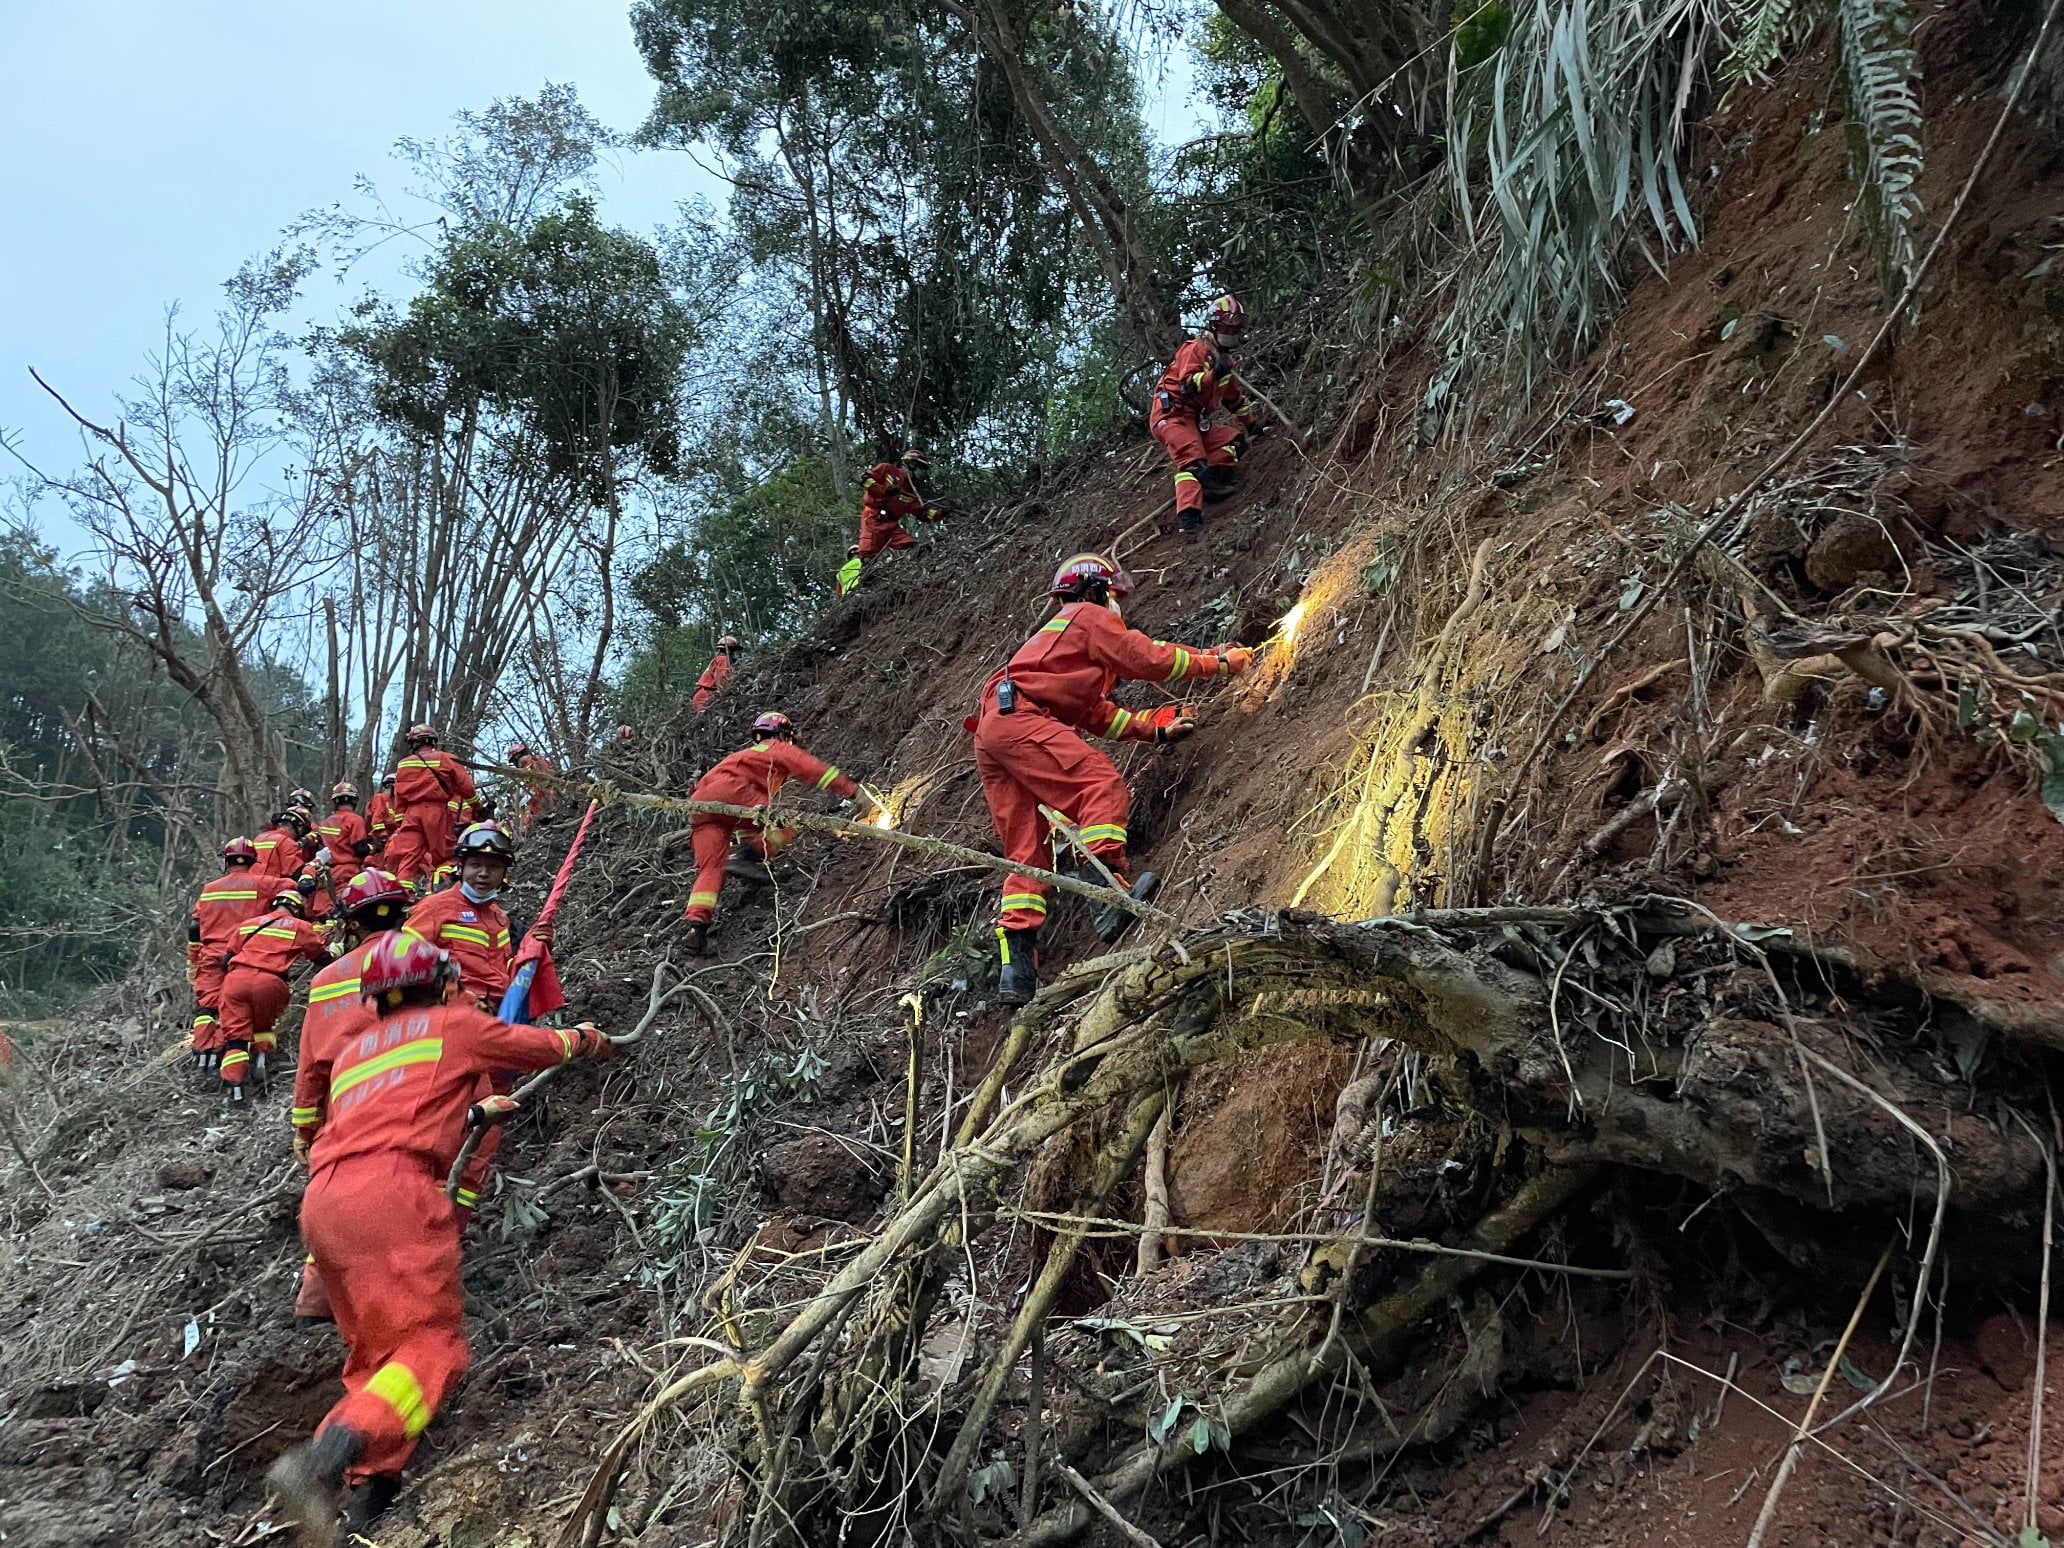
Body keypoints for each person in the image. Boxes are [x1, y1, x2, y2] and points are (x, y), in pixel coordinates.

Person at [265, 936, 611, 1543]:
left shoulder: (352, 1050)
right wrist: (584, 1037)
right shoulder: (453, 1024)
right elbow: (538, 1046)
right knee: (433, 1348)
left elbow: (398, 1104)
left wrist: (468, 1114)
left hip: (323, 1201)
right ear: (445, 981)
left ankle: (370, 1496)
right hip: (394, 1191)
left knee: (376, 1353)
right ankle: (324, 1455)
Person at [971, 553, 1252, 1003]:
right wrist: (1217, 662)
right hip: (1019, 719)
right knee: (1097, 783)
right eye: (1116, 596)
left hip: (996, 729)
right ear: (1098, 591)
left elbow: (1098, 716)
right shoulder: (1086, 615)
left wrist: (1155, 730)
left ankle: (1016, 970)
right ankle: (1108, 892)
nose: (1119, 606)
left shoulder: (1061, 654)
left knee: (1027, 853)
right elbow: (1148, 658)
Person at [402, 820, 550, 1215]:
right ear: (461, 866)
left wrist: (532, 948)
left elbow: (503, 974)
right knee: (476, 1121)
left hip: (490, 1029)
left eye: (494, 867)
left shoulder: (499, 919)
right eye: (477, 865)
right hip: (448, 1031)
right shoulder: (434, 909)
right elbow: (403, 965)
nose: (484, 874)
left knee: (487, 1120)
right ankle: (437, 1210)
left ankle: (453, 1212)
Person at [290, 868, 415, 1327]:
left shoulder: (325, 982)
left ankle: (315, 1305)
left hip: (344, 1109)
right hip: (405, 1097)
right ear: (402, 915)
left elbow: (311, 1067)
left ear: (351, 924)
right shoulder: (422, 960)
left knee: (337, 1199)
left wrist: (305, 1130)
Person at [680, 712, 867, 956]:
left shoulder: (741, 757)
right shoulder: (775, 747)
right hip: (732, 791)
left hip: (699, 804)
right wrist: (853, 792)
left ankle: (696, 929)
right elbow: (814, 769)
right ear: (782, 734)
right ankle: (746, 858)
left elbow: (748, 823)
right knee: (785, 823)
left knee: (711, 868)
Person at [1149, 294, 1265, 534]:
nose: (1231, 332)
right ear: (1214, 325)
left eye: (1235, 328)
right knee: (1192, 462)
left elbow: (1234, 400)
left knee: (1232, 441)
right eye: (1226, 327)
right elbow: (1187, 384)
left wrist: (1252, 425)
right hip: (1172, 416)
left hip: (1191, 420)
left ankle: (1211, 484)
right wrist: (1214, 373)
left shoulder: (1224, 362)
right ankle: (1189, 520)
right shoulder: (1196, 349)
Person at [218, 887, 333, 1104]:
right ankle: (262, 1062)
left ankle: (235, 1093)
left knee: (236, 1040)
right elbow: (320, 957)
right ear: (297, 909)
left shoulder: (249, 924)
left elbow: (227, 959)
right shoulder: (300, 927)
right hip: (271, 982)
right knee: (263, 1027)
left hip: (236, 980)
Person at [187, 838, 266, 1073]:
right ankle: (229, 1055)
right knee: (234, 1006)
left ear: (227, 861)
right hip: (240, 956)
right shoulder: (262, 883)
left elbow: (194, 927)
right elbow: (293, 889)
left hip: (211, 954)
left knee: (207, 1007)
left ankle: (202, 1053)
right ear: (252, 861)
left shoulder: (210, 889)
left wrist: (193, 958)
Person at [386, 725, 478, 894]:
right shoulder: (446, 758)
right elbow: (466, 787)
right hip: (436, 811)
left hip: (411, 815)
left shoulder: (403, 764)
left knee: (408, 859)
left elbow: (398, 796)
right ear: (433, 741)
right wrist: (477, 807)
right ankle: (437, 892)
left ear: (413, 743)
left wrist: (401, 822)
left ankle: (402, 898)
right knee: (445, 856)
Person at [316, 783, 372, 893]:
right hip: (348, 871)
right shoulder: (355, 820)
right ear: (354, 801)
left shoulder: (326, 822)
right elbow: (360, 849)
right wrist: (373, 847)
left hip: (328, 872)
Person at [254, 808, 318, 882]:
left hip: (255, 886)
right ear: (299, 828)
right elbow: (295, 872)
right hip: (274, 887)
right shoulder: (287, 842)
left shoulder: (258, 838)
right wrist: (314, 863)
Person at [505, 742, 556, 832]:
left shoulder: (531, 763)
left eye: (514, 761)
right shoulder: (537, 761)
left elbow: (541, 785)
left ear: (517, 757)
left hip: (546, 799)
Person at [693, 636, 742, 713]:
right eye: (734, 651)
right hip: (706, 695)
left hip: (703, 693)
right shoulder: (723, 659)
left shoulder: (718, 659)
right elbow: (721, 679)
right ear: (729, 650)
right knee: (707, 719)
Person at [365, 773, 401, 854]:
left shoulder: (396, 802)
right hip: (380, 840)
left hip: (393, 838)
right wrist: (382, 837)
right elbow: (377, 820)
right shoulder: (380, 798)